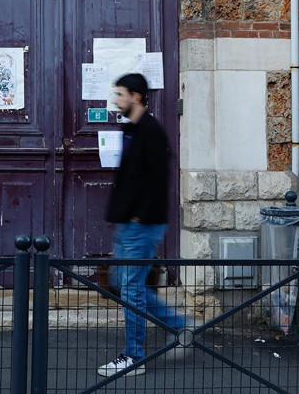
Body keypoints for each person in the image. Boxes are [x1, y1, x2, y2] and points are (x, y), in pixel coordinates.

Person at [97, 73, 193, 378]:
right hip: (130, 223)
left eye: (120, 94)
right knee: (124, 282)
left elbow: (157, 181)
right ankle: (180, 326)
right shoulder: (133, 130)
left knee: (130, 287)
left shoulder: (150, 132)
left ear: (136, 96)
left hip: (141, 224)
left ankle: (133, 356)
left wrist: (138, 216)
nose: (116, 100)